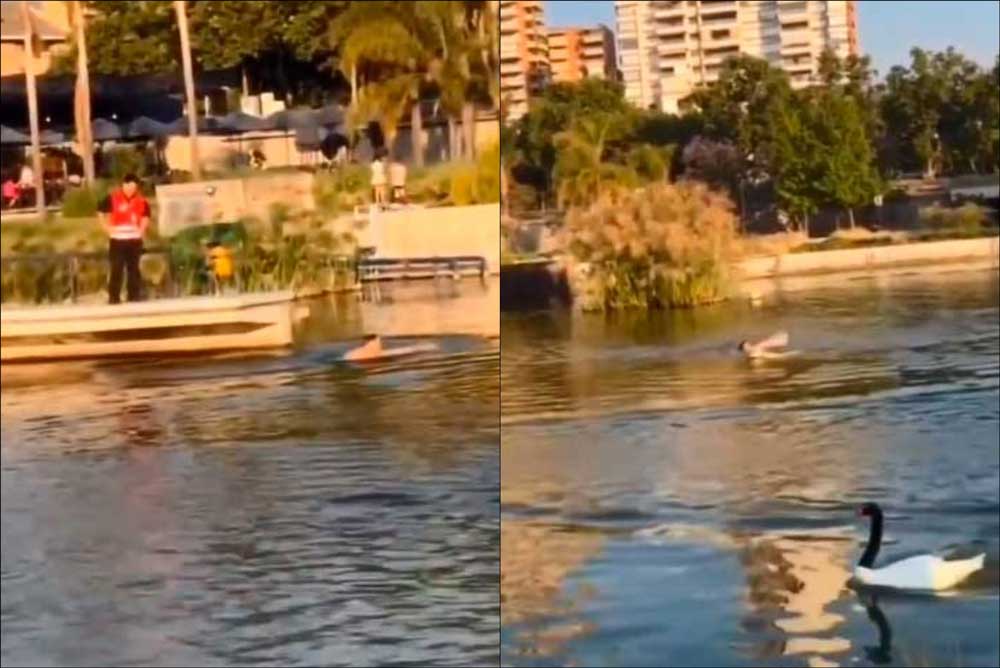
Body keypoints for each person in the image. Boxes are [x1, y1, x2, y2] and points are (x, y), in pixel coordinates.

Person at [98, 173, 150, 304]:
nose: (131, 190)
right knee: (116, 268)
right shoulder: (113, 198)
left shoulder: (141, 201)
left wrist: (141, 231)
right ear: (124, 185)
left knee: (133, 269)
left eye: (134, 187)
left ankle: (133, 296)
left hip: (134, 239)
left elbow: (145, 216)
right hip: (117, 239)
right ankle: (114, 297)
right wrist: (107, 228)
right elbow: (100, 211)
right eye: (129, 186)